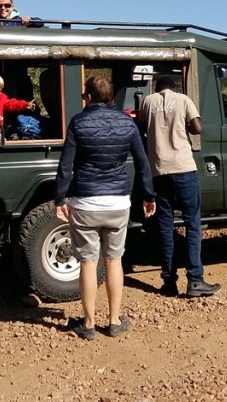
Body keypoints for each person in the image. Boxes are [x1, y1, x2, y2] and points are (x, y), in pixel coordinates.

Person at [54, 76, 156, 340]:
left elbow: (66, 165)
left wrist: (59, 199)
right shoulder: (128, 123)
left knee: (88, 263)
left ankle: (87, 324)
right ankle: (113, 321)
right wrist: (148, 196)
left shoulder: (78, 122)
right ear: (112, 97)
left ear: (88, 96)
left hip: (85, 202)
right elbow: (143, 163)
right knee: (114, 260)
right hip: (118, 202)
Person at [139, 75, 221, 298]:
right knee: (192, 224)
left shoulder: (148, 101)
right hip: (184, 168)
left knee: (165, 227)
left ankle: (168, 282)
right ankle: (195, 280)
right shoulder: (184, 99)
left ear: (157, 88)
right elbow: (198, 128)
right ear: (174, 87)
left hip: (158, 171)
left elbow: (140, 125)